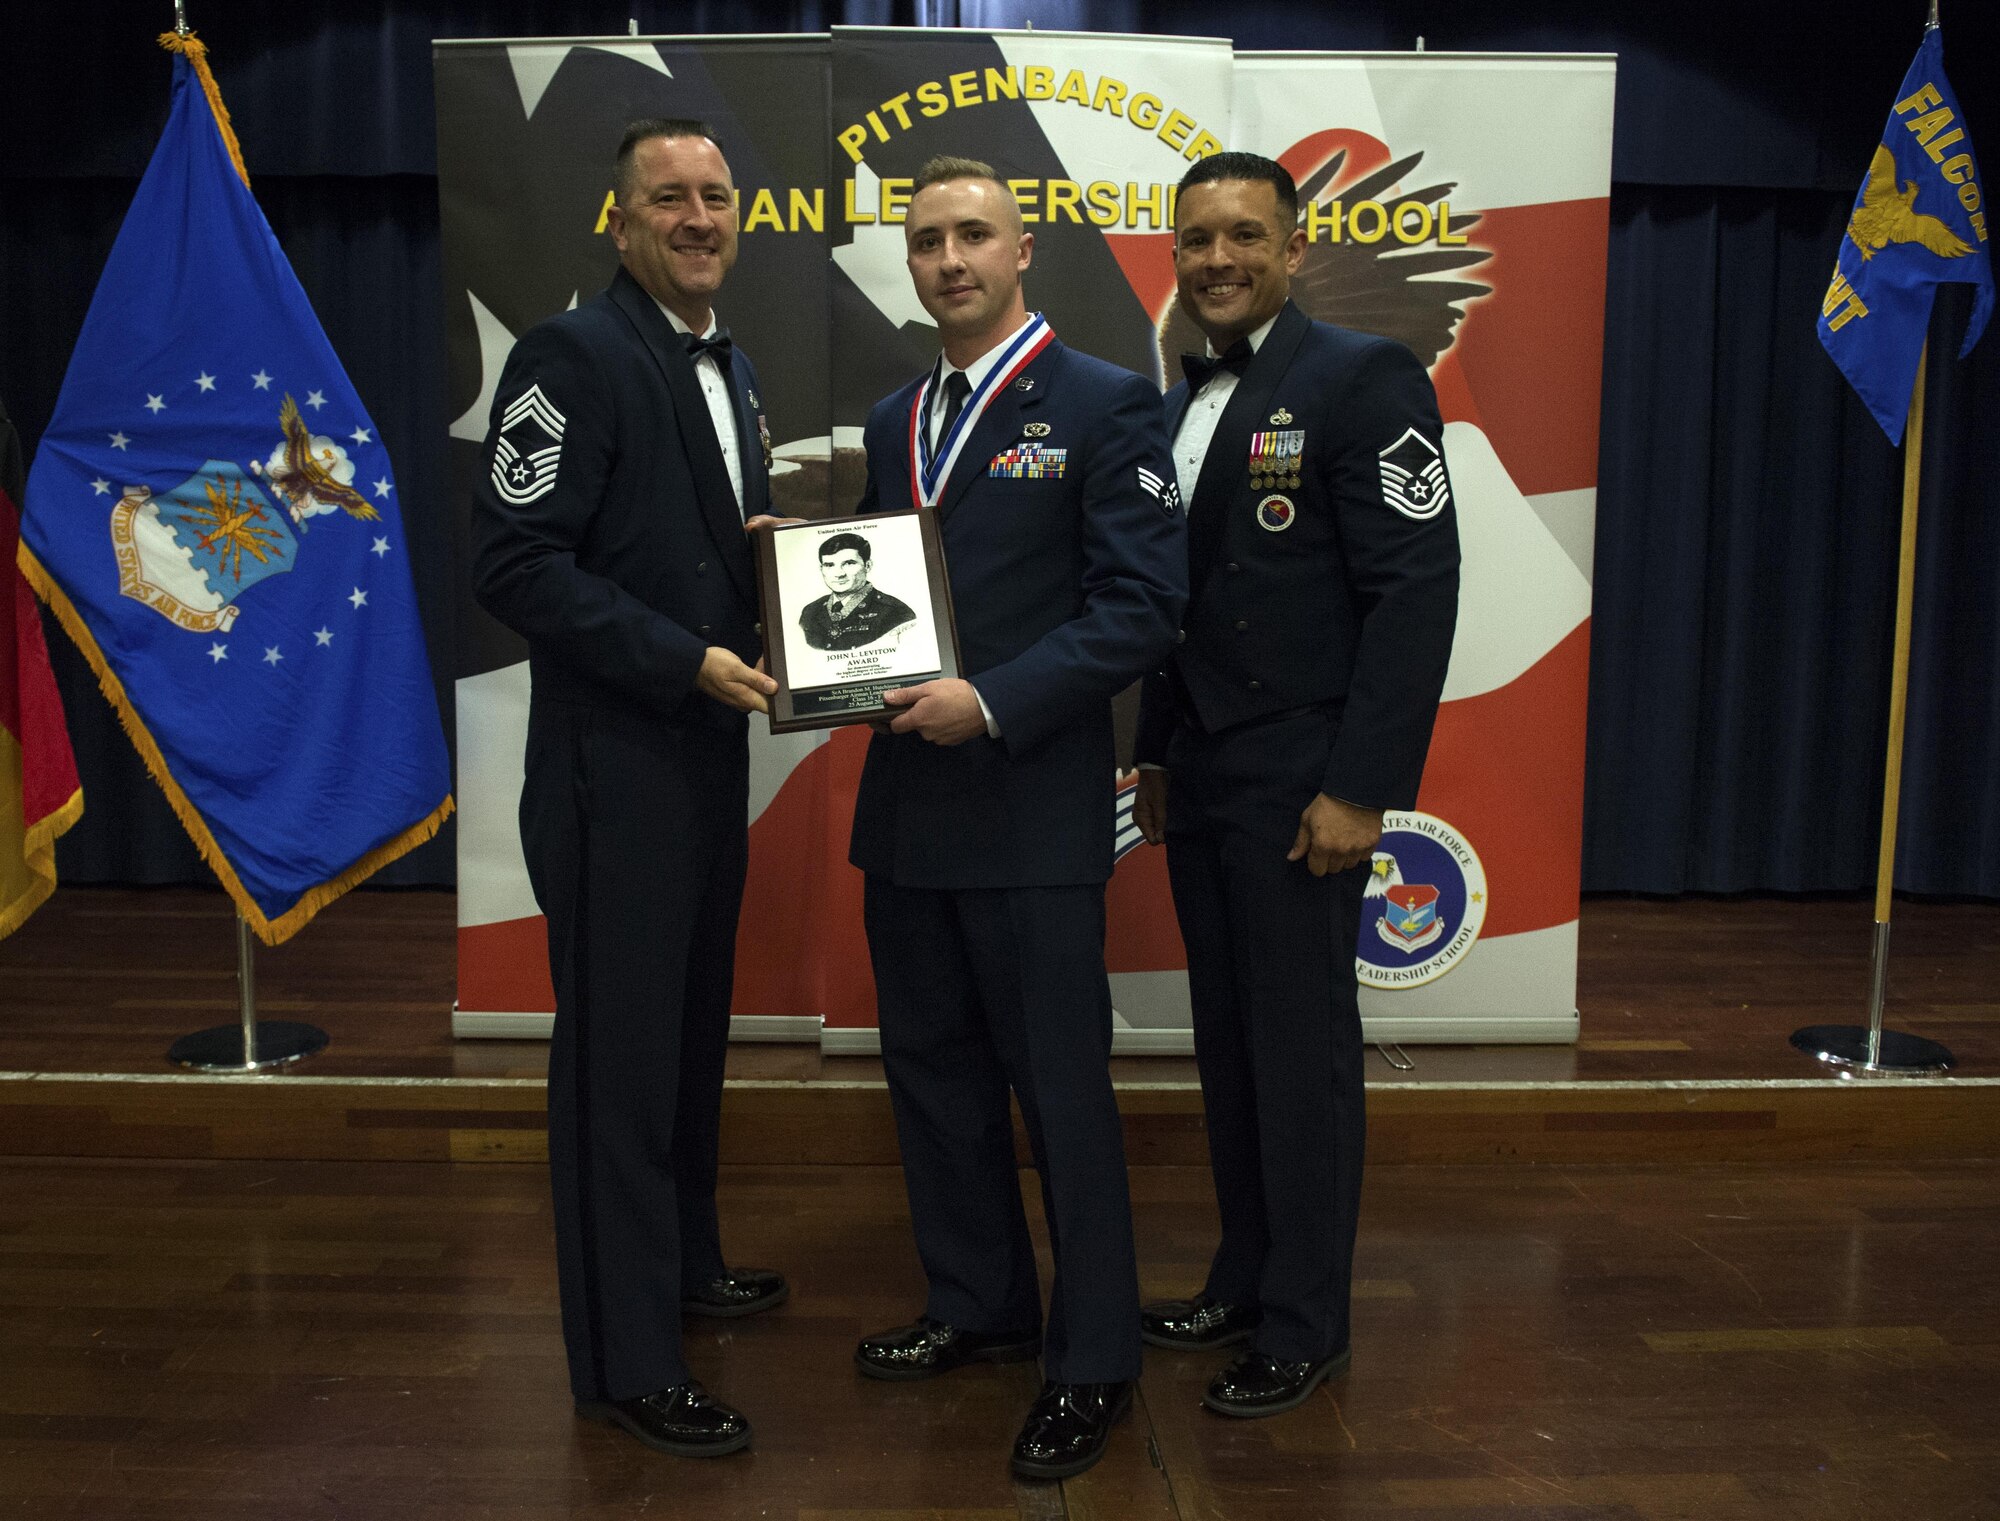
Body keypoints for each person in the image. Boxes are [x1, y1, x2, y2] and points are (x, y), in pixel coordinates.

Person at [846, 156, 1187, 1481]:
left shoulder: (1104, 405)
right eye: (927, 239)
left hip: (1032, 811)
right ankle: (978, 1302)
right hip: (906, 812)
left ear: (1023, 245)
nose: (949, 259)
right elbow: (877, 592)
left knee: (1061, 1094)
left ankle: (1092, 1358)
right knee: (932, 1079)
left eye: (973, 234)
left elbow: (1143, 607)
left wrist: (988, 699)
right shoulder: (896, 414)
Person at [469, 118, 792, 1460]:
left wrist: (767, 564)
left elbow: (680, 543)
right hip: (614, 772)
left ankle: (686, 1261)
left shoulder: (727, 363)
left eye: (717, 195)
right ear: (618, 222)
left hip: (702, 759)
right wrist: (683, 654)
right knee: (617, 1065)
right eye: (668, 198)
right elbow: (517, 564)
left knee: (684, 1037)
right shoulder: (572, 356)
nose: (698, 215)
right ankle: (627, 1360)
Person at [1131, 152, 1460, 1417]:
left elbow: (1411, 591)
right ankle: (1242, 1272)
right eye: (1198, 238)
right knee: (1227, 1038)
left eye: (1244, 237)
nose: (1218, 259)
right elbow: (1179, 605)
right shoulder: (1177, 400)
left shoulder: (1362, 378)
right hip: (1206, 767)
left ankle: (1306, 1318)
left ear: (1292, 246)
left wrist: (1362, 788)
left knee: (1301, 1049)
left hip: (1304, 776)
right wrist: (1156, 748)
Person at [798, 530, 917, 650]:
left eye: (849, 563)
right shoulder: (810, 611)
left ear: (868, 566)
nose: (839, 574)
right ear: (821, 568)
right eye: (829, 565)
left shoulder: (896, 612)